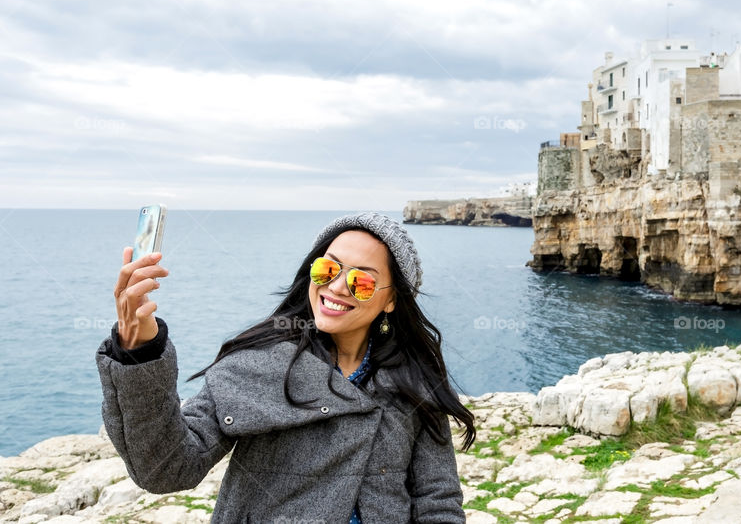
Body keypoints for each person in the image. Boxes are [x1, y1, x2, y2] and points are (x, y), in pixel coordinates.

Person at [96, 212, 474, 523]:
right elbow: (165, 469)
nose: (338, 287)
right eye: (328, 269)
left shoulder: (412, 383)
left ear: (391, 300)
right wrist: (139, 349)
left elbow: (437, 501)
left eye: (361, 280)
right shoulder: (254, 365)